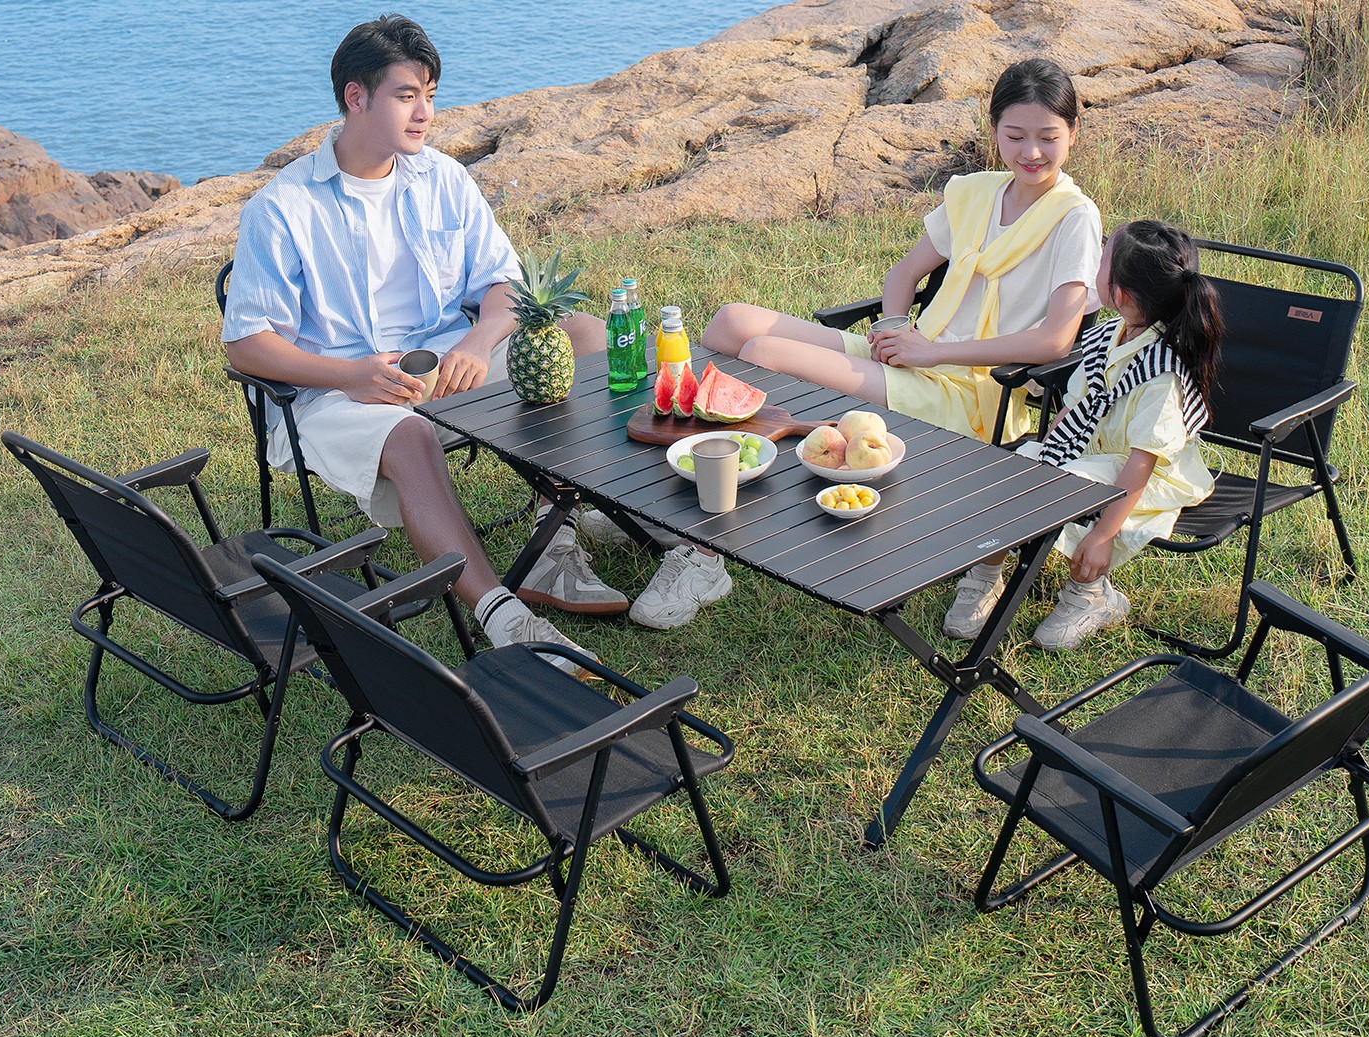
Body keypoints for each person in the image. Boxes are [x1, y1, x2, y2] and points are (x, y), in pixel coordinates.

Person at [222, 14, 620, 671]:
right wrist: (351, 375)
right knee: (410, 436)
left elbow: (503, 281)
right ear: (356, 97)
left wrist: (481, 340)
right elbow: (246, 345)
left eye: (430, 95)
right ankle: (507, 620)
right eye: (407, 95)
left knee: (583, 335)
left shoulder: (441, 178)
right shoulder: (283, 208)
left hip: (449, 363)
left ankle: (554, 539)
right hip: (334, 393)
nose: (425, 113)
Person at [701, 57, 1101, 448]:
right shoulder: (977, 193)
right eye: (1015, 137)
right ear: (994, 130)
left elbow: (1054, 342)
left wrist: (934, 353)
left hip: (970, 390)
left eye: (1048, 138)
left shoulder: (1074, 217)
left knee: (762, 352)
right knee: (731, 322)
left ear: (1073, 132)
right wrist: (892, 330)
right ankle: (701, 433)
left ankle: (723, 456)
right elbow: (905, 272)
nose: (1032, 152)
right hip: (916, 352)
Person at [951, 219, 1223, 651]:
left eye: (1102, 261)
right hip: (1091, 450)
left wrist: (1102, 537)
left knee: (1069, 488)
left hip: (1144, 476)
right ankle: (986, 573)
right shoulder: (1109, 337)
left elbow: (1141, 464)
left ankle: (1090, 594)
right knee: (1015, 473)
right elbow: (1078, 405)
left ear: (1120, 294)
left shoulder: (1163, 375)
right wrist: (1046, 451)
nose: (1095, 264)